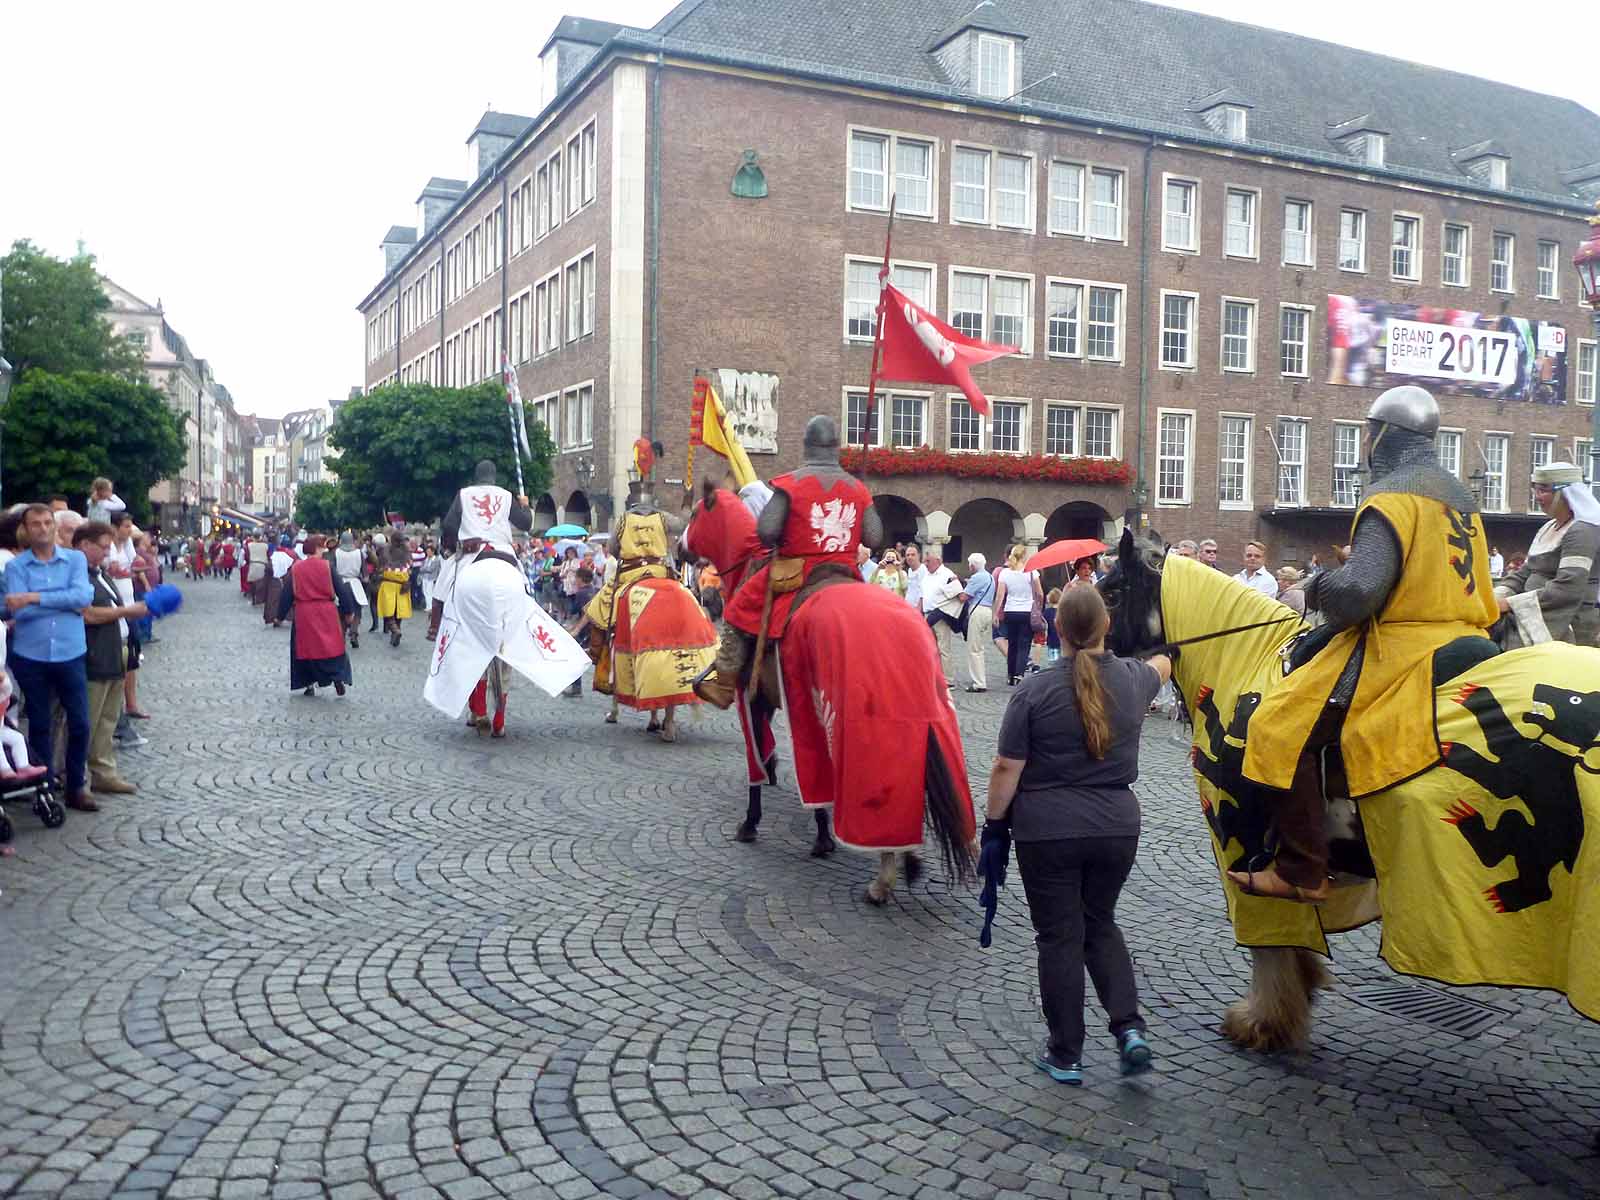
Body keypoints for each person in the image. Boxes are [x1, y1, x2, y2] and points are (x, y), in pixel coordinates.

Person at [1234, 386, 1498, 902]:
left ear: (1383, 436)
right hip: (1471, 636)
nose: (1364, 446)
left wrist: (1314, 586)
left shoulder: (1392, 498)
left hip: (1407, 647)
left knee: (1275, 725)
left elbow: (1358, 593)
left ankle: (1301, 869)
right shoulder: (1462, 499)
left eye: (1367, 435)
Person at [983, 585, 1171, 1084]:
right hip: (1116, 826)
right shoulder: (1133, 680)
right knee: (1101, 924)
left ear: (1057, 629)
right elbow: (1162, 666)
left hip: (1048, 831)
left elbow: (1006, 767)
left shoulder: (1034, 689)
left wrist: (994, 825)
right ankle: (1130, 1029)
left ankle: (1065, 1053)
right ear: (1106, 627)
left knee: (1060, 938)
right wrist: (1154, 644)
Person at [697, 416, 879, 708]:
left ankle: (724, 682)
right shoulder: (857, 487)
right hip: (847, 572)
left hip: (798, 572)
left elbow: (766, 532)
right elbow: (874, 537)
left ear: (806, 445)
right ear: (836, 447)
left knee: (738, 608)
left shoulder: (790, 484)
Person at [4, 505, 94, 811]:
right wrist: (62, 601)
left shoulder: (75, 559)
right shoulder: (16, 568)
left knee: (81, 723)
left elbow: (83, 597)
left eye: (47, 523)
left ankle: (76, 786)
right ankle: (45, 787)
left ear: (54, 527)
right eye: (36, 524)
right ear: (26, 530)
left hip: (70, 652)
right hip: (32, 654)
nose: (42, 528)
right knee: (41, 724)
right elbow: (19, 611)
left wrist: (34, 596)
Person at [1493, 462, 1600, 647]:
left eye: (1543, 490)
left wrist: (1510, 604)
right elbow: (1524, 573)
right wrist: (1494, 597)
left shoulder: (1582, 531)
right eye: (1535, 489)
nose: (1537, 496)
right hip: (1532, 614)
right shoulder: (1547, 527)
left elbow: (1569, 587)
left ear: (1565, 493)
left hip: (1565, 623)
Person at [77, 521, 147, 796]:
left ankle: (103, 771)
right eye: (103, 547)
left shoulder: (100, 572)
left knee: (108, 717)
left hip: (116, 648)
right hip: (96, 652)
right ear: (84, 545)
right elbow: (88, 614)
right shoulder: (80, 574)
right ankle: (80, 775)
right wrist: (126, 613)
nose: (107, 553)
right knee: (91, 718)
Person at [277, 534, 357, 697]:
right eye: (322, 547)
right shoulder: (327, 566)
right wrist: (348, 611)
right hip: (327, 612)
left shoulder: (297, 568)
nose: (324, 550)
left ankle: (308, 683)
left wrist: (280, 614)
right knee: (331, 647)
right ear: (316, 548)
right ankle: (337, 676)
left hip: (304, 614)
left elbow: (287, 594)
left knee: (305, 650)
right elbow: (341, 590)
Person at [995, 545, 1042, 687]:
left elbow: (1000, 595)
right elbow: (1039, 592)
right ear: (1024, 556)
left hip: (1010, 611)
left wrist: (996, 613)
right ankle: (1019, 674)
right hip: (1026, 611)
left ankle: (1010, 674)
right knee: (1024, 644)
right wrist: (1039, 605)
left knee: (1013, 644)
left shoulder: (1005, 573)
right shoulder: (1031, 572)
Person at [921, 551, 965, 687]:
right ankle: (935, 677)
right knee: (930, 648)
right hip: (928, 614)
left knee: (943, 648)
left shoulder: (947, 574)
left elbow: (961, 595)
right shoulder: (926, 575)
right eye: (925, 561)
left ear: (938, 561)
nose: (925, 564)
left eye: (928, 561)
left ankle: (948, 680)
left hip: (940, 615)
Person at [961, 552, 994, 692]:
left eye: (970, 564)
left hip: (977, 611)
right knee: (979, 648)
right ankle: (980, 680)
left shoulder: (976, 577)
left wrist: (954, 589)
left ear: (973, 565)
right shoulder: (989, 576)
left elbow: (963, 597)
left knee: (974, 649)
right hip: (987, 611)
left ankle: (978, 683)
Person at [376, 538, 412, 647]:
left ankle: (395, 631)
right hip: (402, 584)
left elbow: (380, 567)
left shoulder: (386, 553)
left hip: (389, 584)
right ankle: (396, 632)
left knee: (388, 612)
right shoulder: (407, 554)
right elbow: (410, 569)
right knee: (398, 611)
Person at [334, 532, 368, 647]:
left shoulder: (336, 553)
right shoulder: (359, 553)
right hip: (355, 583)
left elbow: (333, 570)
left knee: (341, 611)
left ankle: (341, 636)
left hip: (341, 584)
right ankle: (353, 633)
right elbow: (365, 573)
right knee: (357, 611)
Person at [264, 536, 296, 627]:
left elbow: (269, 567)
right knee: (285, 598)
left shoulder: (274, 555)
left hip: (275, 580)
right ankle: (282, 617)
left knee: (273, 600)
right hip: (286, 579)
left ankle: (275, 618)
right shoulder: (290, 555)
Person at [903, 543, 927, 610]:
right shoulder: (909, 570)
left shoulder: (923, 570)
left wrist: (918, 610)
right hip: (909, 609)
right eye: (907, 555)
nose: (910, 557)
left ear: (919, 555)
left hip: (917, 611)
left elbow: (923, 593)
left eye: (913, 555)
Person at [1043, 587, 1062, 662]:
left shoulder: (1046, 612)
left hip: (1051, 640)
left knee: (1053, 661)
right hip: (1062, 639)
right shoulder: (1063, 611)